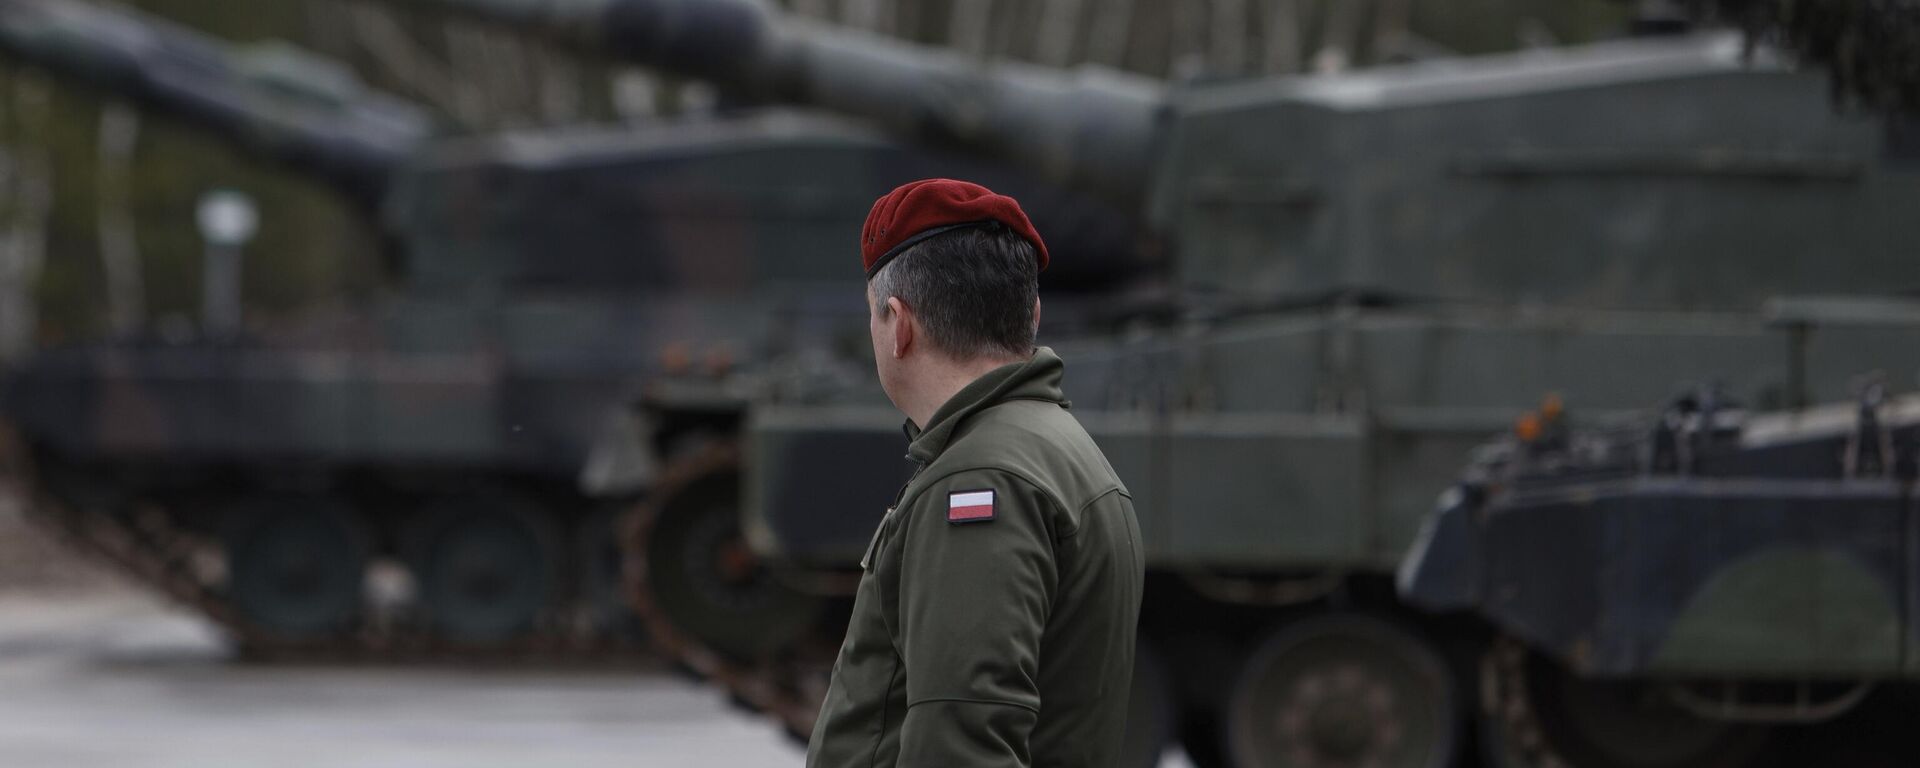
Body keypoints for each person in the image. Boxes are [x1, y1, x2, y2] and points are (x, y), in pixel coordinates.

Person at [805, 178, 1146, 768]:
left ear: (897, 323)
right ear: (1031, 314)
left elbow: (961, 743)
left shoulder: (980, 480)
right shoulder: (1060, 450)